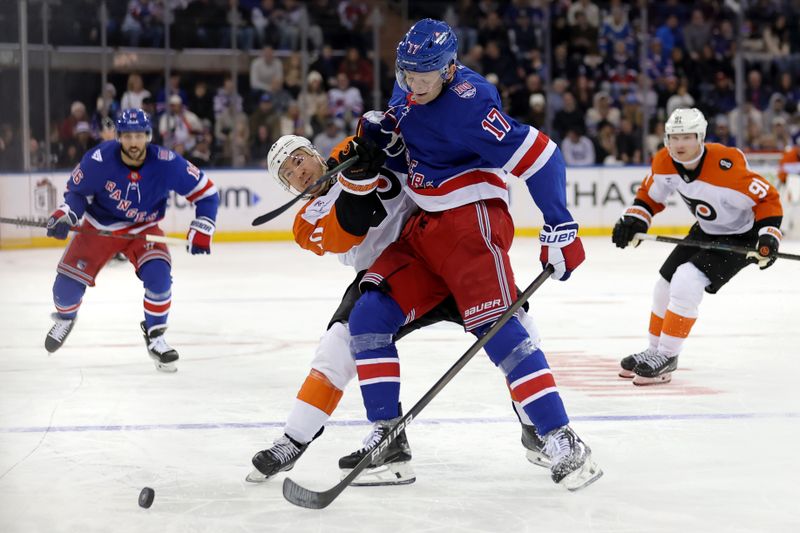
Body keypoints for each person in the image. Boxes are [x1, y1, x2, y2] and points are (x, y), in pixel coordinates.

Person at [339, 19, 602, 492]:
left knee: (496, 330)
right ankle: (388, 441)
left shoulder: (471, 104)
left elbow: (541, 155)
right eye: (405, 73)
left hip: (470, 223)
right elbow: (417, 154)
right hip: (425, 227)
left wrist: (559, 225)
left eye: (423, 74)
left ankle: (560, 437)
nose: (412, 83)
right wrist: (385, 144)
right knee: (368, 317)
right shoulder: (411, 92)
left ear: (449, 68)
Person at [247, 130, 551, 485]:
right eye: (287, 174)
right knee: (337, 347)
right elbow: (350, 226)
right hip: (385, 276)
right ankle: (298, 439)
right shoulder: (306, 222)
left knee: (519, 329)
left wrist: (381, 137)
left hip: (441, 246)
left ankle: (537, 429)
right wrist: (358, 179)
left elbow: (407, 142)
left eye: (298, 159)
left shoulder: (350, 148)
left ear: (315, 153)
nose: (297, 172)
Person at [612, 108, 783, 385]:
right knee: (664, 285)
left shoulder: (727, 166)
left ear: (701, 137)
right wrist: (634, 220)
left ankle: (668, 356)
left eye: (688, 137)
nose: (680, 144)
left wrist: (769, 236)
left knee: (687, 280)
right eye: (674, 137)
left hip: (742, 236)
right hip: (706, 230)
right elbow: (650, 195)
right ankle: (654, 350)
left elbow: (768, 198)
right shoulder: (664, 162)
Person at [44, 108, 219, 372]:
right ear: (118, 136)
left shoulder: (166, 162)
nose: (134, 142)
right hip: (100, 227)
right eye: (127, 136)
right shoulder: (98, 159)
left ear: (148, 136)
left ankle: (157, 337)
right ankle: (66, 318)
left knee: (160, 278)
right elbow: (77, 195)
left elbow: (207, 193)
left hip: (143, 228)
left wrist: (204, 225)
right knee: (64, 291)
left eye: (139, 135)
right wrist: (66, 214)